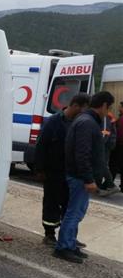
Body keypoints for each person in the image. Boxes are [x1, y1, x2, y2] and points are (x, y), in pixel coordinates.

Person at [56, 91, 115, 263]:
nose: (108, 111)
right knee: (74, 213)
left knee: (77, 212)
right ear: (103, 105)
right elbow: (82, 154)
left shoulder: (85, 121)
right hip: (80, 178)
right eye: (108, 107)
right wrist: (89, 179)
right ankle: (64, 247)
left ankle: (70, 244)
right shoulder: (87, 123)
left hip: (80, 177)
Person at [35, 93, 90, 246]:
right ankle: (49, 234)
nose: (83, 114)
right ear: (75, 106)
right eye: (82, 110)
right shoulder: (53, 122)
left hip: (71, 173)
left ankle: (68, 235)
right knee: (51, 203)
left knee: (70, 205)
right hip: (53, 171)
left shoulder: (79, 123)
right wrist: (39, 169)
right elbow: (41, 146)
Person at [97, 111, 118, 195]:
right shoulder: (105, 115)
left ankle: (111, 185)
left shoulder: (105, 116)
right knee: (100, 165)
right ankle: (98, 186)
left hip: (105, 144)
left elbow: (106, 132)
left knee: (101, 164)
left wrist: (99, 143)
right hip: (106, 143)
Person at [110, 102, 123, 191]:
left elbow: (119, 133)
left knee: (113, 165)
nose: (119, 109)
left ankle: (109, 183)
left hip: (119, 146)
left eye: (120, 107)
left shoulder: (121, 119)